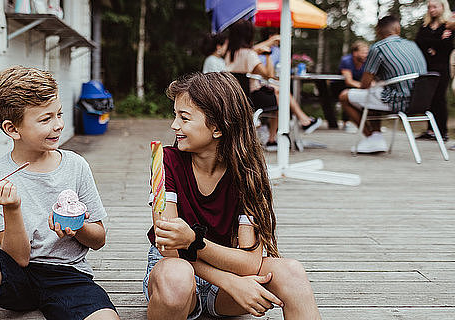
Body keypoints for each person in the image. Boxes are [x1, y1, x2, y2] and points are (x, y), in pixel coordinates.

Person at [0, 66, 119, 320]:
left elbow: (98, 240)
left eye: (59, 114)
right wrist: (12, 208)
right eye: (46, 119)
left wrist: (78, 227)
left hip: (68, 277)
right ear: (12, 129)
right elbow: (18, 258)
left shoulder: (75, 166)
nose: (58, 125)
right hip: (16, 274)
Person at [143, 72, 321, 320]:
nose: (174, 126)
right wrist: (230, 281)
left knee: (291, 271)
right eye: (175, 116)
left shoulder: (247, 173)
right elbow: (170, 250)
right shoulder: (165, 161)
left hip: (225, 274)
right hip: (178, 275)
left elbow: (250, 264)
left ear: (217, 128)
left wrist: (195, 241)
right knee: (176, 277)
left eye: (184, 118)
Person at [225, 19, 322, 151]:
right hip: (253, 98)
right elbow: (268, 74)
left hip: (235, 96)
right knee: (280, 97)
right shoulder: (250, 54)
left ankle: (301, 122)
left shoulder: (230, 54)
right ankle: (277, 136)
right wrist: (268, 55)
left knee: (278, 91)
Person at [339, 16, 427, 154]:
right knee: (375, 95)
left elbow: (365, 85)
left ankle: (372, 138)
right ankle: (375, 138)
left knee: (345, 96)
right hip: (420, 101)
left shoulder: (378, 48)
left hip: (398, 101)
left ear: (378, 31)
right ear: (398, 28)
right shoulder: (413, 45)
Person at [414, 0, 453, 141]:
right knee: (429, 98)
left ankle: (442, 132)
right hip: (427, 66)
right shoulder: (425, 25)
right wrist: (435, 44)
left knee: (439, 98)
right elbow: (418, 42)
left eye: (434, 6)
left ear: (443, 7)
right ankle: (431, 130)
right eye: (429, 7)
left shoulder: (448, 25)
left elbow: (447, 46)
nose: (431, 10)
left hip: (442, 67)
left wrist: (431, 45)